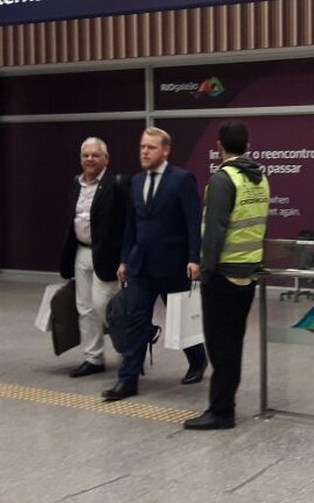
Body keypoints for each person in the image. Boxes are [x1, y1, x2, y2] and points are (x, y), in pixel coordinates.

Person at [102, 127, 207, 401]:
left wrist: (194, 258)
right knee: (135, 321)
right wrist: (125, 258)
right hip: (140, 266)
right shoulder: (136, 182)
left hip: (173, 265)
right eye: (142, 147)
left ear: (166, 150)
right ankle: (128, 380)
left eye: (151, 147)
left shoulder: (182, 180)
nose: (145, 152)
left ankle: (198, 360)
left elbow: (192, 222)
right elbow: (131, 225)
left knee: (181, 321)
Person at [184, 121, 270, 430]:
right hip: (248, 275)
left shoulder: (223, 180)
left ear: (220, 145)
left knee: (220, 347)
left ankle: (221, 412)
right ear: (248, 144)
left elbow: (214, 233)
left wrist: (205, 272)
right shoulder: (260, 179)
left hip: (223, 276)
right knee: (233, 344)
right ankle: (224, 406)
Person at [59, 137, 129, 378]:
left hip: (108, 256)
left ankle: (130, 354)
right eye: (86, 155)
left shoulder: (117, 184)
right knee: (85, 309)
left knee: (105, 307)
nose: (89, 159)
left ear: (106, 159)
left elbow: (128, 223)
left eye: (95, 155)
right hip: (81, 252)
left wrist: (125, 258)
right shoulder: (76, 184)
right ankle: (93, 358)